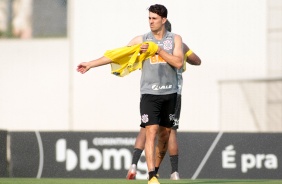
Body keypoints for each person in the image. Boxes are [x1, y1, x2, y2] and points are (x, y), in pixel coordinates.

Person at [77, 4, 183, 184]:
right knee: (151, 131)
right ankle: (151, 176)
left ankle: (156, 169)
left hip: (170, 94)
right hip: (149, 94)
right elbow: (118, 55)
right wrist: (90, 64)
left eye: (154, 18)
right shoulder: (140, 40)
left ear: (163, 20)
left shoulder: (175, 39)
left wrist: (158, 50)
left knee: (165, 135)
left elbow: (179, 62)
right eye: (149, 18)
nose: (151, 22)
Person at [126, 20, 201, 180]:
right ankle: (173, 172)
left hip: (151, 92)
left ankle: (134, 164)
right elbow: (197, 61)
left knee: (146, 129)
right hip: (173, 93)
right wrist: (185, 52)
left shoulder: (150, 44)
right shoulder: (178, 45)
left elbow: (127, 52)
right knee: (170, 132)